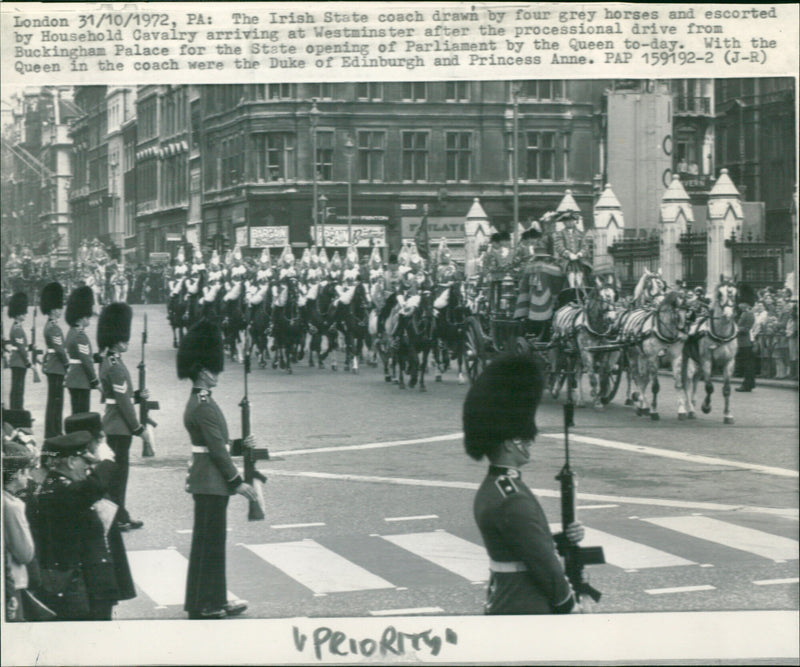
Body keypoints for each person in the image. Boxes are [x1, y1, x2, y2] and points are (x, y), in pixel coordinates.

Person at [463, 354, 586, 614]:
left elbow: (521, 542)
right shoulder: (512, 498)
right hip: (526, 605)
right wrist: (569, 604)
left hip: (507, 600)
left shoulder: (496, 487)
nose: (530, 441)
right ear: (508, 443)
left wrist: (564, 538)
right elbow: (542, 562)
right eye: (523, 437)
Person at [177, 319, 258, 620]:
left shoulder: (202, 402)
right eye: (213, 368)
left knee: (211, 543)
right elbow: (215, 449)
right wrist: (237, 482)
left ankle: (211, 599)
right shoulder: (203, 405)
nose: (217, 372)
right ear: (201, 371)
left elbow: (218, 442)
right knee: (209, 544)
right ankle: (205, 603)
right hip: (211, 481)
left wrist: (239, 444)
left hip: (208, 479)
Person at [35, 430, 136, 620]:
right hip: (81, 587)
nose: (88, 468)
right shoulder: (61, 490)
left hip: (89, 583)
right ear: (72, 462)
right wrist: (106, 461)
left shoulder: (59, 485)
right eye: (85, 462)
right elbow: (94, 487)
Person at [96, 302, 154, 531]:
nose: (126, 342)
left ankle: (121, 513)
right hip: (119, 426)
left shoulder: (111, 361)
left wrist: (137, 394)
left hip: (115, 424)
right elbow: (122, 402)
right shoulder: (115, 365)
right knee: (119, 476)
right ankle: (116, 516)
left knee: (118, 475)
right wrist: (139, 428)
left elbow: (121, 394)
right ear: (113, 339)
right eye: (122, 339)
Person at [3, 440, 37, 622]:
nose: (29, 476)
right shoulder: (12, 506)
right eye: (26, 471)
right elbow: (25, 553)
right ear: (17, 474)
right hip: (13, 583)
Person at [64, 285, 100, 414]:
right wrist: (95, 381)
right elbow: (86, 361)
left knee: (77, 414)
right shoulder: (80, 336)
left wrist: (98, 357)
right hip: (81, 380)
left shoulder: (72, 332)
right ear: (82, 317)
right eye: (87, 317)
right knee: (82, 415)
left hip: (75, 379)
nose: (89, 319)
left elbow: (82, 356)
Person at [41, 282, 69, 438]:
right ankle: (54, 431)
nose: (60, 311)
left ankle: (53, 430)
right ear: (52, 310)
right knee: (56, 402)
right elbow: (59, 350)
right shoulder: (53, 328)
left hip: (53, 366)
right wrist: (67, 364)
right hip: (56, 366)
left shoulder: (50, 326)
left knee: (54, 401)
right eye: (58, 308)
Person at [552, 211, 593, 289]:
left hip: (579, 259)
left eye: (571, 221)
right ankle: (572, 288)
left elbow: (585, 246)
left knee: (587, 269)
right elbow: (559, 246)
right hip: (565, 260)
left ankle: (583, 287)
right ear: (564, 223)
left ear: (574, 221)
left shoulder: (580, 233)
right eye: (567, 221)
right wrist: (568, 254)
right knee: (569, 271)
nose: (569, 223)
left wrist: (580, 253)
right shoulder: (560, 234)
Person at [6, 292, 32, 410]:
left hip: (18, 361)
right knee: (18, 389)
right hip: (19, 362)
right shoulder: (17, 329)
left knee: (18, 389)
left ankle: (17, 410)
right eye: (23, 312)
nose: (25, 314)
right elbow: (21, 348)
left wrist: (31, 347)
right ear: (17, 315)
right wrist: (28, 363)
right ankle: (17, 411)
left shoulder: (17, 327)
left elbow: (22, 345)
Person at [735, 303, 757, 392]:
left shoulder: (749, 314)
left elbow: (746, 328)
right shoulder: (743, 313)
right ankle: (748, 383)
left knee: (748, 364)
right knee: (745, 364)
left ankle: (747, 384)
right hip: (741, 342)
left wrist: (735, 329)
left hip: (746, 342)